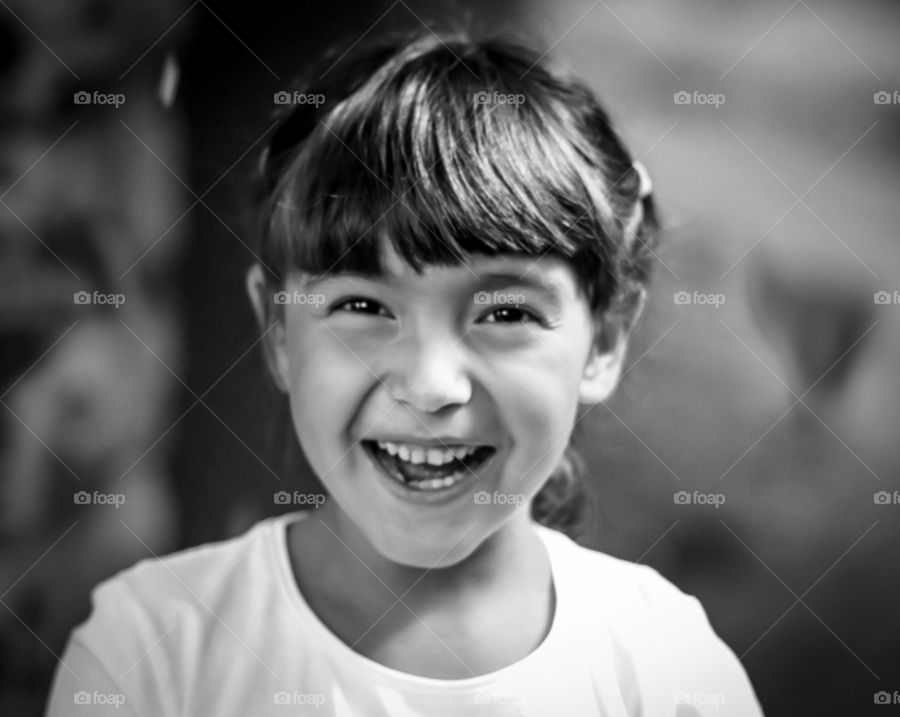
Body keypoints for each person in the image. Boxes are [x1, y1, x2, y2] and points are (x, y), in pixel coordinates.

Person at [46, 30, 764, 716]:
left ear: (603, 340)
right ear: (279, 334)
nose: (429, 385)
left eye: (506, 314)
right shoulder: (151, 650)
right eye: (362, 304)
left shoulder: (668, 669)